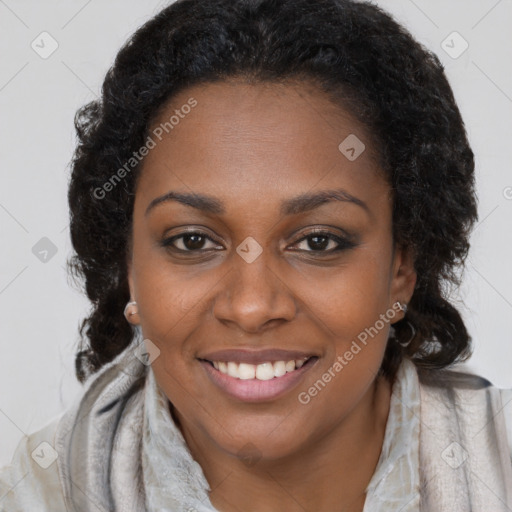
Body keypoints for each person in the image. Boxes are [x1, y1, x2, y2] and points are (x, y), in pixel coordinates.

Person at [1, 0, 511, 510]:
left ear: (401, 269)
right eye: (192, 240)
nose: (251, 307)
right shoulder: (34, 495)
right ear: (129, 268)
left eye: (318, 241)